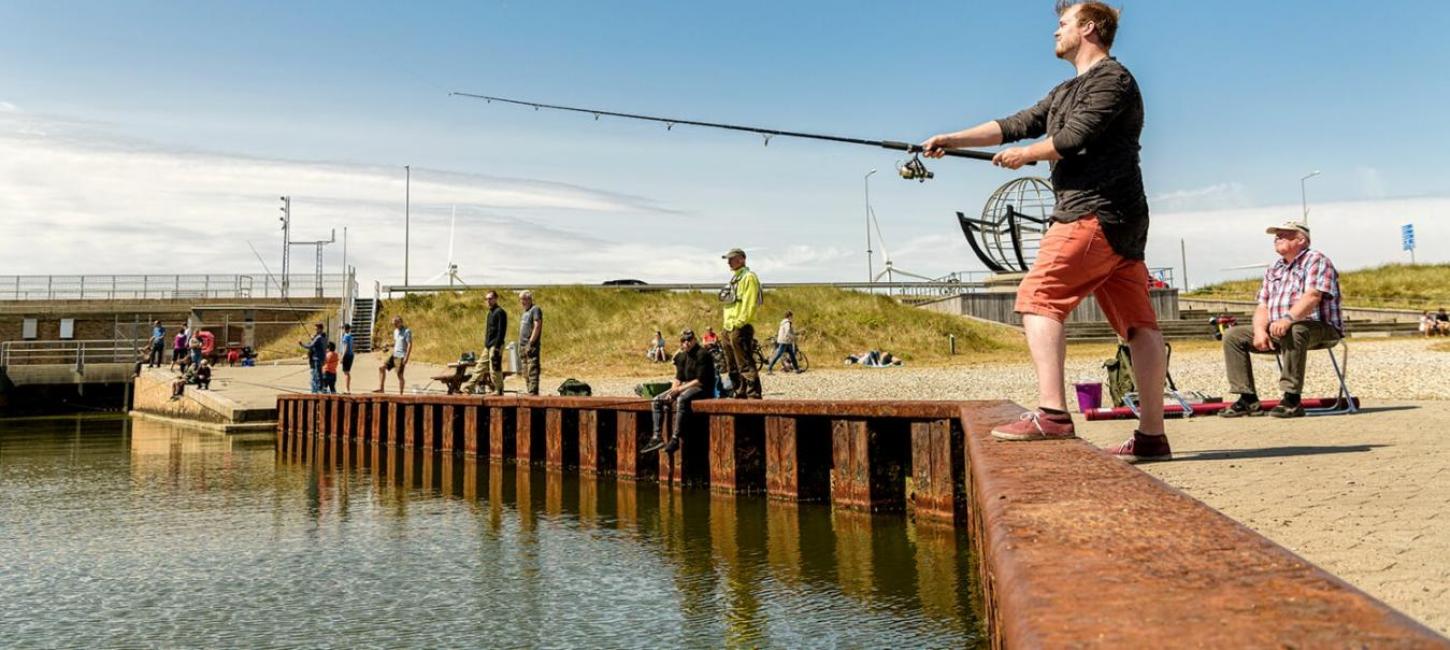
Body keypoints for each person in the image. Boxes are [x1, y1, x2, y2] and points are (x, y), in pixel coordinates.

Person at [920, 1, 1169, 461]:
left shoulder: (1114, 80)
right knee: (1138, 325)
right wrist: (951, 138)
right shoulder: (1064, 90)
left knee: (1038, 298)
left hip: (1091, 213)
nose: (1055, 33)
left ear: (1089, 28)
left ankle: (1052, 414)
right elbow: (1013, 125)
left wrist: (1026, 155)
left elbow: (1076, 138)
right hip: (1121, 221)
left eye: (1062, 24)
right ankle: (1152, 436)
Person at [1219, 222, 1343, 418]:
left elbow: (1313, 296)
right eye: (1276, 236)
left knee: (1295, 329)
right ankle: (1248, 399)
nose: (1277, 239)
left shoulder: (1316, 260)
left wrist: (1287, 319)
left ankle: (1292, 399)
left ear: (1301, 240)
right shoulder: (1275, 268)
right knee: (1233, 335)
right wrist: (1260, 330)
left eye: (1283, 235)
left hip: (1319, 327)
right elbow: (1262, 305)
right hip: (1279, 329)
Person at [642, 329, 715, 455]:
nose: (686, 343)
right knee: (656, 400)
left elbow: (699, 380)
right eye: (683, 340)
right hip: (686, 386)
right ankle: (656, 437)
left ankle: (675, 438)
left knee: (681, 399)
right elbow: (678, 378)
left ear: (694, 340)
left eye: (689, 340)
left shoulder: (702, 354)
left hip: (702, 388)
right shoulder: (681, 356)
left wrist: (678, 391)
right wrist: (673, 391)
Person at [719, 248, 763, 399]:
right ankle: (739, 391)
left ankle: (753, 394)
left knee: (744, 361)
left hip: (740, 326)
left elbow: (750, 303)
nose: (729, 262)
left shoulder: (749, 277)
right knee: (731, 364)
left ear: (742, 259)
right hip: (728, 326)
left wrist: (740, 322)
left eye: (732, 258)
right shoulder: (734, 279)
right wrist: (726, 326)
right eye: (728, 259)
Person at [464, 290, 508, 395]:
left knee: (495, 367)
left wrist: (497, 347)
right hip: (488, 345)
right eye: (487, 299)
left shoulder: (500, 312)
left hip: (496, 344)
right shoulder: (490, 313)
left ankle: (498, 389)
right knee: (480, 366)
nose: (488, 301)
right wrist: (486, 344)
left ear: (496, 299)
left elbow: (501, 331)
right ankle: (468, 387)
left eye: (490, 299)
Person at [376, 316, 411, 394]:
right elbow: (396, 343)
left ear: (400, 322)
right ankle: (381, 389)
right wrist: (388, 345)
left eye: (395, 323)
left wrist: (406, 357)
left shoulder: (407, 331)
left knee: (399, 375)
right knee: (381, 368)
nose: (394, 325)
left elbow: (409, 344)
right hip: (394, 354)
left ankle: (400, 394)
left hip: (401, 356)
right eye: (393, 324)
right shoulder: (395, 331)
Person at [518, 290, 543, 396]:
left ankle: (533, 392)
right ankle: (529, 390)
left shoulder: (535, 309)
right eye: (520, 299)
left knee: (532, 369)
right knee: (525, 371)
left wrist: (531, 342)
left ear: (529, 299)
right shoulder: (525, 312)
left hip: (530, 345)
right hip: (522, 345)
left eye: (523, 299)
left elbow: (537, 326)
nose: (521, 302)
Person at [298, 323, 328, 394]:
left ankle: (318, 389)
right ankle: (322, 388)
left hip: (317, 358)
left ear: (320, 329)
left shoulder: (318, 338)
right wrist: (313, 339)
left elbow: (310, 346)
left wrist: (301, 344)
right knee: (320, 374)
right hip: (323, 358)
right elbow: (321, 345)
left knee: (317, 374)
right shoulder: (324, 337)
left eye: (316, 329)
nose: (315, 330)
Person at [339, 324, 355, 393]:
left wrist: (342, 357)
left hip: (347, 355)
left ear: (345, 329)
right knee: (347, 372)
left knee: (346, 372)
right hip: (351, 355)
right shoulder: (351, 336)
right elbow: (353, 346)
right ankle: (347, 388)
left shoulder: (345, 337)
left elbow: (345, 347)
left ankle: (347, 389)